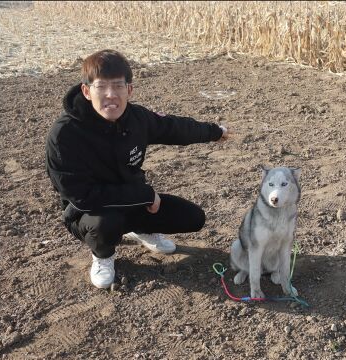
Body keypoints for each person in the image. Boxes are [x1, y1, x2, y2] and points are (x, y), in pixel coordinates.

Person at [45, 49, 228, 289]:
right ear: (86, 91)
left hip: (132, 201)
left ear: (129, 90)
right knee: (106, 224)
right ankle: (103, 256)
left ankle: (140, 228)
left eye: (119, 86)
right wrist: (144, 195)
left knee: (193, 218)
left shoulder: (137, 118)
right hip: (87, 212)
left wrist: (214, 132)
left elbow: (173, 127)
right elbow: (82, 196)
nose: (111, 95)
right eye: (101, 87)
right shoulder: (64, 135)